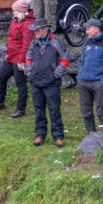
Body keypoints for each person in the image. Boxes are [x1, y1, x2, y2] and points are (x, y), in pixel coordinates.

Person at [25, 18, 68, 146]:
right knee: (38, 109)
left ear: (45, 29)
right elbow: (28, 58)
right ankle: (40, 134)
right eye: (34, 30)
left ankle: (58, 136)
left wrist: (55, 75)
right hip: (36, 82)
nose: (35, 33)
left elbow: (65, 60)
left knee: (54, 109)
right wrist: (29, 73)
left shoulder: (57, 42)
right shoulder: (33, 42)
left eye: (37, 30)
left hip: (51, 83)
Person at [0, 0, 34, 118]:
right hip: (10, 56)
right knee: (1, 78)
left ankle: (21, 109)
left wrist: (21, 60)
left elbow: (26, 45)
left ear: (20, 11)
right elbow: (10, 38)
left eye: (14, 10)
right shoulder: (15, 21)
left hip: (20, 57)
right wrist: (7, 51)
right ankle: (0, 102)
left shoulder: (28, 25)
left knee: (20, 83)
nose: (12, 12)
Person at [77, 18, 103, 132]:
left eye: (88, 29)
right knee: (86, 111)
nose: (86, 31)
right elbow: (81, 60)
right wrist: (79, 76)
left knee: (101, 110)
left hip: (98, 83)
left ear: (96, 29)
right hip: (83, 82)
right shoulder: (87, 42)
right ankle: (91, 135)